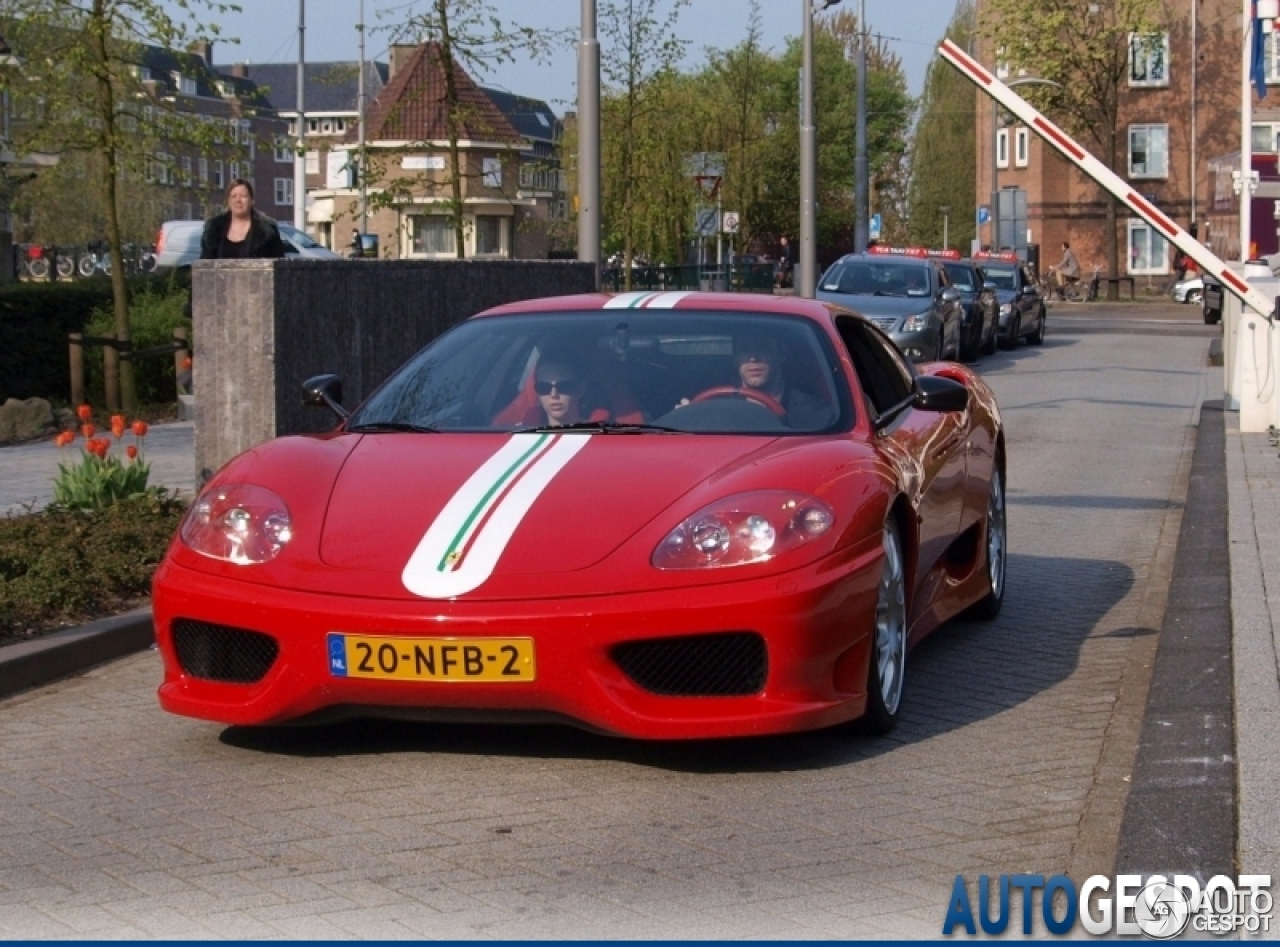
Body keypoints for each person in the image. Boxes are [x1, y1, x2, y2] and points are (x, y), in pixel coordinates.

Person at [732, 333, 834, 430]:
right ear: (735, 358)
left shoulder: (815, 415)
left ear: (782, 354)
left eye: (763, 348)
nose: (753, 358)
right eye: (744, 349)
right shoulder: (718, 410)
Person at [199, 179, 287, 260]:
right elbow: (204, 265)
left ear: (252, 200)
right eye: (233, 196)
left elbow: (278, 265)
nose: (238, 200)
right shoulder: (213, 230)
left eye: (243, 196)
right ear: (228, 201)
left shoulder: (267, 231)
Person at [533, 355, 587, 427]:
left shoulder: (599, 435)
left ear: (580, 390)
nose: (554, 394)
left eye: (563, 386)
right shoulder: (520, 435)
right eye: (544, 387)